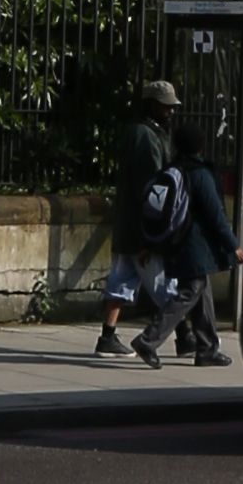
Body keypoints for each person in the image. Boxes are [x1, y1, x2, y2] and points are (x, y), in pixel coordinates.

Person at [94, 75, 187, 366]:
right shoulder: (147, 137)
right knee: (167, 289)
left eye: (171, 107)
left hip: (128, 225)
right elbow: (154, 186)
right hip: (143, 228)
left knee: (120, 282)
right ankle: (184, 336)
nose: (170, 111)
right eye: (164, 106)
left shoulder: (138, 131)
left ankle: (107, 336)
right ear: (151, 105)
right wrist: (154, 234)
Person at [167, 108, 234, 366]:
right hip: (195, 244)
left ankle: (207, 347)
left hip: (177, 240)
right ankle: (150, 338)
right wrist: (232, 245)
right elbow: (215, 215)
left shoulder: (173, 170)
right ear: (201, 146)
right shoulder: (200, 173)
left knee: (200, 291)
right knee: (191, 291)